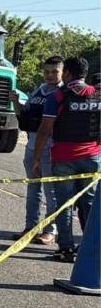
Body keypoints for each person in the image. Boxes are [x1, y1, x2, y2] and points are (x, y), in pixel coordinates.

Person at [33, 56, 101, 262]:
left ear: (67, 73)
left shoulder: (58, 96)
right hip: (92, 156)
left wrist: (37, 157)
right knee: (89, 203)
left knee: (64, 205)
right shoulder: (97, 95)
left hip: (63, 157)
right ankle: (91, 249)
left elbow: (45, 129)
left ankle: (66, 249)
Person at [10, 56, 62, 244]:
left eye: (54, 71)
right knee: (33, 189)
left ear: (62, 72)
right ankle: (30, 228)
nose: (50, 75)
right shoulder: (39, 90)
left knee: (51, 192)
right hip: (32, 146)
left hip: (51, 149)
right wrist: (16, 102)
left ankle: (51, 230)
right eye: (47, 71)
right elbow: (25, 115)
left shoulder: (63, 93)